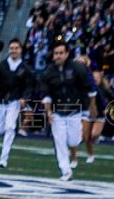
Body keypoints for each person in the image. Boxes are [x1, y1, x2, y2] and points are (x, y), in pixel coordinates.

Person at [38, 41, 97, 182]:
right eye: (56, 53)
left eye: (61, 53)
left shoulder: (78, 68)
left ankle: (71, 155)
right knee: (60, 141)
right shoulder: (48, 72)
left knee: (74, 140)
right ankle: (66, 170)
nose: (58, 56)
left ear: (67, 54)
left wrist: (92, 106)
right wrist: (48, 112)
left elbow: (91, 88)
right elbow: (45, 94)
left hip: (75, 110)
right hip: (57, 112)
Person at [0, 37, 34, 168]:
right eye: (11, 48)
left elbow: (28, 86)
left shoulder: (25, 68)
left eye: (16, 48)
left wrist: (24, 98)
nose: (13, 51)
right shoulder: (0, 66)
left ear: (20, 50)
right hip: (0, 101)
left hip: (14, 101)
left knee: (10, 127)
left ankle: (3, 158)